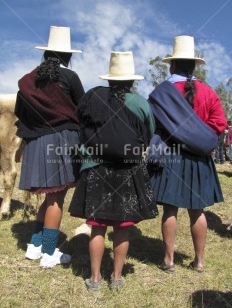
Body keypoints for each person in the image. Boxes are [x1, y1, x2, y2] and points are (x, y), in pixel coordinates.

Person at [69, 51, 158, 291]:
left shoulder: (92, 98)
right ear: (132, 80)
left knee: (97, 226)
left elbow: (82, 129)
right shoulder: (139, 103)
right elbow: (148, 133)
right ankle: (117, 278)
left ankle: (95, 279)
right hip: (127, 170)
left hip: (96, 168)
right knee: (122, 227)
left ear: (109, 78)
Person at [148, 36, 227, 273]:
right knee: (197, 211)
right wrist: (199, 138)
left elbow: (152, 126)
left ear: (172, 65)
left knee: (170, 209)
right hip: (199, 159)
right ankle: (199, 262)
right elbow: (219, 124)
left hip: (171, 156)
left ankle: (169, 260)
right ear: (194, 66)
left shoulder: (161, 92)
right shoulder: (208, 92)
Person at [14, 26, 85, 268]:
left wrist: (23, 144)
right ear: (68, 56)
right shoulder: (70, 78)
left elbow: (21, 115)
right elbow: (83, 111)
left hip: (36, 143)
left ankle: (34, 246)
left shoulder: (27, 81)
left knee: (48, 196)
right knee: (56, 198)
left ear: (45, 54)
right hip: (61, 141)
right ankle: (49, 252)